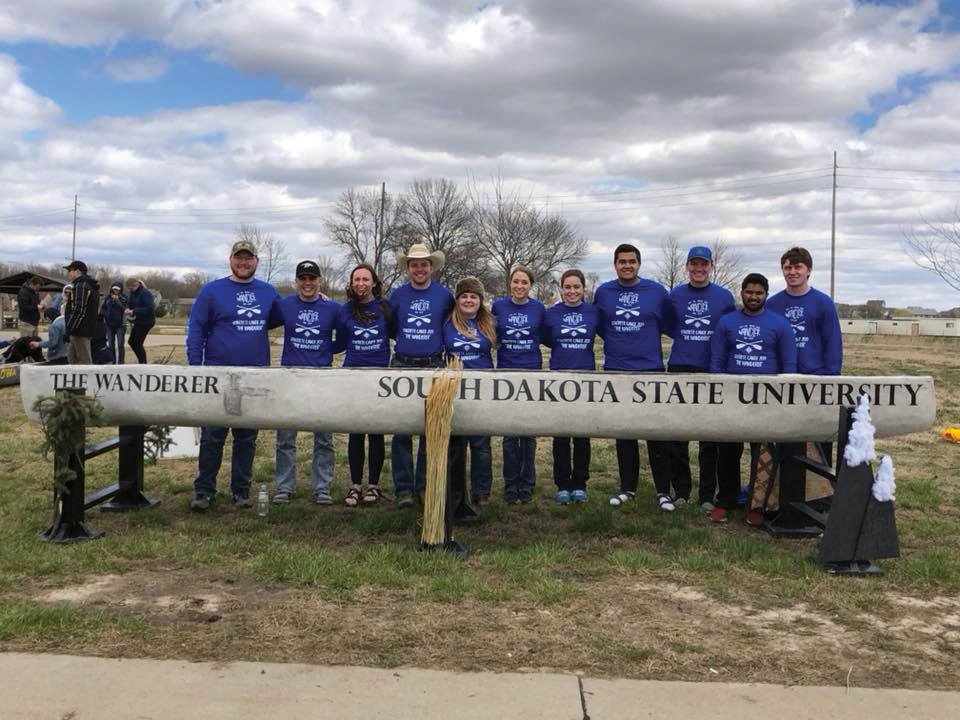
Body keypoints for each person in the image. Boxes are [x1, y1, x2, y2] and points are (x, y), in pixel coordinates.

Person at [187, 239, 281, 512]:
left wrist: (319, 296)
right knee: (212, 436)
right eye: (239, 258)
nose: (243, 262)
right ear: (230, 260)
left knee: (246, 438)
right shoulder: (212, 291)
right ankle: (204, 490)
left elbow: (285, 314)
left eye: (248, 258)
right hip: (219, 375)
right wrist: (196, 368)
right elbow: (197, 330)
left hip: (254, 375)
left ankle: (241, 489)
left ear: (256, 262)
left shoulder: (267, 292)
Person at [708, 273, 797, 522]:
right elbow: (716, 360)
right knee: (727, 451)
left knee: (763, 453)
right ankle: (725, 500)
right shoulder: (727, 322)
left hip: (766, 397)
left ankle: (758, 505)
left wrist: (784, 394)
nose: (753, 297)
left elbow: (789, 362)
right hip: (733, 395)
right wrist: (719, 389)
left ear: (766, 295)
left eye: (759, 293)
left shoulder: (779, 324)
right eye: (749, 292)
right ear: (742, 293)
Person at [593, 244, 674, 511]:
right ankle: (627, 487)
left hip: (650, 369)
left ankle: (663, 490)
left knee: (656, 433)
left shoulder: (656, 291)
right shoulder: (604, 292)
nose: (627, 265)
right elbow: (602, 327)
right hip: (617, 370)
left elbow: (667, 324)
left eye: (631, 261)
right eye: (621, 261)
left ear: (639, 263)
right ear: (614, 264)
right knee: (624, 434)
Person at [664, 246, 737, 511]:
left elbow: (729, 330)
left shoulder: (723, 297)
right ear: (687, 267)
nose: (698, 269)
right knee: (679, 434)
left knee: (709, 436)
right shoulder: (676, 295)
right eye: (693, 264)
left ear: (711, 267)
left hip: (711, 368)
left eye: (703, 264)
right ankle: (681, 489)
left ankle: (707, 494)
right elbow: (670, 326)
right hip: (681, 366)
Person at [387, 243, 454, 507]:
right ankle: (403, 489)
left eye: (424, 264)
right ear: (407, 268)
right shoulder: (398, 295)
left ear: (431, 267)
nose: (419, 269)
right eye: (414, 265)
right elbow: (393, 328)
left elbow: (453, 322)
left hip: (434, 365)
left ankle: (425, 486)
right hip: (402, 364)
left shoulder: (444, 295)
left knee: (431, 430)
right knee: (401, 430)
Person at [270, 260, 341, 505]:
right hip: (290, 377)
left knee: (323, 437)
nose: (308, 283)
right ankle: (284, 486)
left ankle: (321, 487)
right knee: (286, 437)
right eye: (303, 279)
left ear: (319, 281)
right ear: (297, 281)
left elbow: (345, 334)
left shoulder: (332, 308)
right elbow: (263, 322)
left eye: (312, 279)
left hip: (321, 377)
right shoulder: (285, 305)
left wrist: (327, 350)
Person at [541, 269, 602, 504]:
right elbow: (546, 338)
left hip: (585, 377)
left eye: (577, 287)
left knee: (582, 435)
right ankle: (562, 484)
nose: (572, 291)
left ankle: (580, 483)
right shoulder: (551, 314)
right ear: (562, 289)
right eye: (568, 287)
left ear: (583, 289)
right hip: (559, 378)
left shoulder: (593, 312)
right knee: (561, 435)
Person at [338, 263, 391, 507]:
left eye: (365, 279)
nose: (360, 283)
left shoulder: (385, 308)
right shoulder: (345, 310)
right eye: (356, 279)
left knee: (376, 432)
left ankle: (374, 485)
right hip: (353, 376)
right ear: (351, 283)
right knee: (356, 432)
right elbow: (339, 342)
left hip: (379, 377)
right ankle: (355, 485)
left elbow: (398, 334)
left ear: (374, 282)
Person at [492, 266, 546, 504]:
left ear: (530, 285)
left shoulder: (538, 308)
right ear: (510, 284)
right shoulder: (499, 307)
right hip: (507, 371)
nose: (519, 286)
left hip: (531, 371)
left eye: (524, 282)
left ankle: (527, 483)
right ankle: (510, 483)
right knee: (510, 433)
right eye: (515, 282)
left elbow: (544, 336)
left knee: (528, 433)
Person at [443, 277, 496, 506]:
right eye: (464, 295)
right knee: (456, 443)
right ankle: (455, 491)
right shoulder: (446, 323)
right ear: (457, 299)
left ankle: (481, 491)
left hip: (481, 388)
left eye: (473, 296)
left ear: (480, 301)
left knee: (481, 443)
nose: (468, 300)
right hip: (453, 388)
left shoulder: (491, 323)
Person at [766, 246, 842, 376]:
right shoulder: (771, 304)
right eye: (788, 268)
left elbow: (833, 343)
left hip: (815, 376)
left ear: (809, 270)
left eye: (798, 267)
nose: (792, 272)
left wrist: (831, 377)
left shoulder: (823, 303)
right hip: (779, 376)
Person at [62, 260, 100, 365]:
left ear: (77, 271)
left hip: (80, 330)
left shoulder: (81, 286)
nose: (68, 273)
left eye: (70, 270)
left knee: (85, 361)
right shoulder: (85, 285)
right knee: (71, 359)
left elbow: (79, 310)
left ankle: (89, 380)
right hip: (80, 329)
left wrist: (69, 328)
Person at [124, 277, 156, 364]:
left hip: (147, 321)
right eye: (129, 289)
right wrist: (127, 309)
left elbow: (149, 309)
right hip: (139, 321)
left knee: (137, 343)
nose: (130, 290)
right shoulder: (133, 293)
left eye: (131, 288)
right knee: (131, 342)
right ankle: (141, 361)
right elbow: (130, 303)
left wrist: (133, 311)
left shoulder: (145, 293)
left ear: (136, 285)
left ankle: (143, 363)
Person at [101, 283, 127, 364]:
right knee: (111, 345)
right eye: (114, 289)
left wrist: (117, 300)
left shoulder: (124, 298)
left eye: (117, 289)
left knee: (120, 345)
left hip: (120, 325)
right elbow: (103, 309)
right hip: (109, 325)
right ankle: (113, 361)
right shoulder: (108, 298)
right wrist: (105, 316)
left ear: (120, 290)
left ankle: (121, 362)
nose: (115, 291)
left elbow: (124, 309)